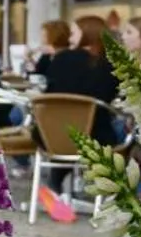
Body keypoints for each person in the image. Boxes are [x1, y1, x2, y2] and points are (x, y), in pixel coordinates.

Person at [39, 14, 122, 145]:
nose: (69, 39)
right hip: (97, 137)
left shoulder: (61, 59)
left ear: (86, 35)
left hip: (53, 136)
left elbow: (50, 95)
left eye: (72, 34)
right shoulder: (112, 64)